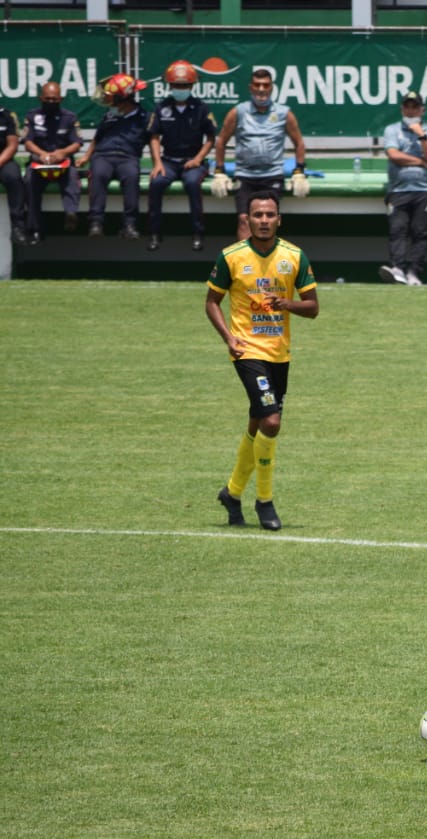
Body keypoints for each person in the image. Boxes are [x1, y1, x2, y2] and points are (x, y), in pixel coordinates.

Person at [205, 191, 319, 531]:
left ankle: (232, 492)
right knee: (271, 421)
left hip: (279, 354)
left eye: (270, 214)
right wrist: (229, 338)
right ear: (248, 220)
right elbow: (211, 302)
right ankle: (265, 501)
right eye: (258, 215)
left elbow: (312, 308)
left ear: (279, 219)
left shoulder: (294, 256)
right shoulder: (231, 257)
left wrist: (286, 304)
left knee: (257, 423)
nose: (264, 220)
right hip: (247, 351)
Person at [213, 68, 308, 242]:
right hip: (245, 176)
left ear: (272, 88)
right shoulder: (238, 111)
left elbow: (299, 143)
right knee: (244, 220)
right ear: (251, 88)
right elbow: (221, 142)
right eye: (257, 85)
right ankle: (245, 266)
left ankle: (265, 264)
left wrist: (299, 172)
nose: (261, 89)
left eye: (266, 85)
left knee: (268, 222)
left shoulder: (284, 113)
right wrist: (219, 172)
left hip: (272, 176)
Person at [147, 60, 219, 252]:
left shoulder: (201, 108)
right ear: (170, 86)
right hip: (168, 161)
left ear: (192, 86)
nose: (181, 89)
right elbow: (154, 137)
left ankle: (198, 233)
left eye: (185, 85)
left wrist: (197, 159)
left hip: (193, 162)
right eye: (177, 85)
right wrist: (157, 163)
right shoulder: (161, 107)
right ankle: (154, 233)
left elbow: (211, 138)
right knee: (156, 183)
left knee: (192, 184)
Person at [75, 73, 150, 240]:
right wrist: (87, 156)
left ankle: (129, 224)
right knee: (98, 174)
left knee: (131, 177)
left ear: (123, 99)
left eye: (111, 98)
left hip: (128, 157)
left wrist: (158, 162)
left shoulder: (144, 117)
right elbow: (97, 137)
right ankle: (96, 223)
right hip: (103, 155)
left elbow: (154, 140)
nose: (108, 102)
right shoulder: (109, 115)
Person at [378, 90, 427, 286]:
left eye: (415, 106)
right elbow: (394, 155)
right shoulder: (392, 130)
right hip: (398, 190)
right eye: (407, 106)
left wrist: (421, 136)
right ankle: (398, 269)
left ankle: (414, 273)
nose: (411, 110)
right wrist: (420, 163)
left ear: (422, 109)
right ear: (402, 108)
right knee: (398, 230)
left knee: (420, 232)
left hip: (424, 189)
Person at [22, 82, 84, 244]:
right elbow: (28, 142)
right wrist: (42, 154)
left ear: (61, 99)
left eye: (54, 99)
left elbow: (77, 143)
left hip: (62, 162)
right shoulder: (32, 116)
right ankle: (35, 229)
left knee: (72, 175)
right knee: (29, 181)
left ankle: (71, 214)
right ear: (40, 98)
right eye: (47, 99)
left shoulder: (70, 117)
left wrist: (62, 153)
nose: (50, 102)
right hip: (39, 161)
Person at [0, 102, 27, 245]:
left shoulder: (6, 115)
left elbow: (12, 145)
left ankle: (18, 227)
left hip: (3, 160)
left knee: (13, 176)